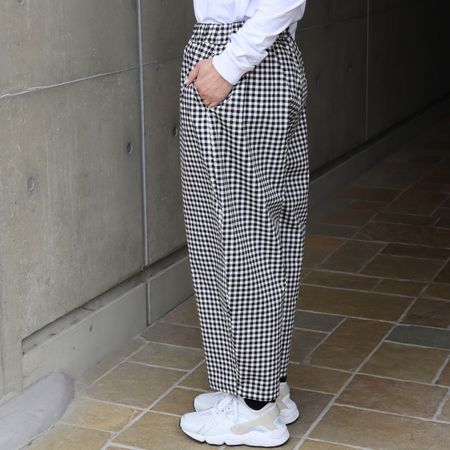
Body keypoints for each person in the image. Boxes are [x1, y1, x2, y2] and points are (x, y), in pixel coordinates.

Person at [178, 0, 309, 446]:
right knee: (268, 233)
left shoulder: (233, 58)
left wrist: (229, 63)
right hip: (265, 54)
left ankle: (254, 410)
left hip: (238, 57)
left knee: (237, 237)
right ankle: (266, 386)